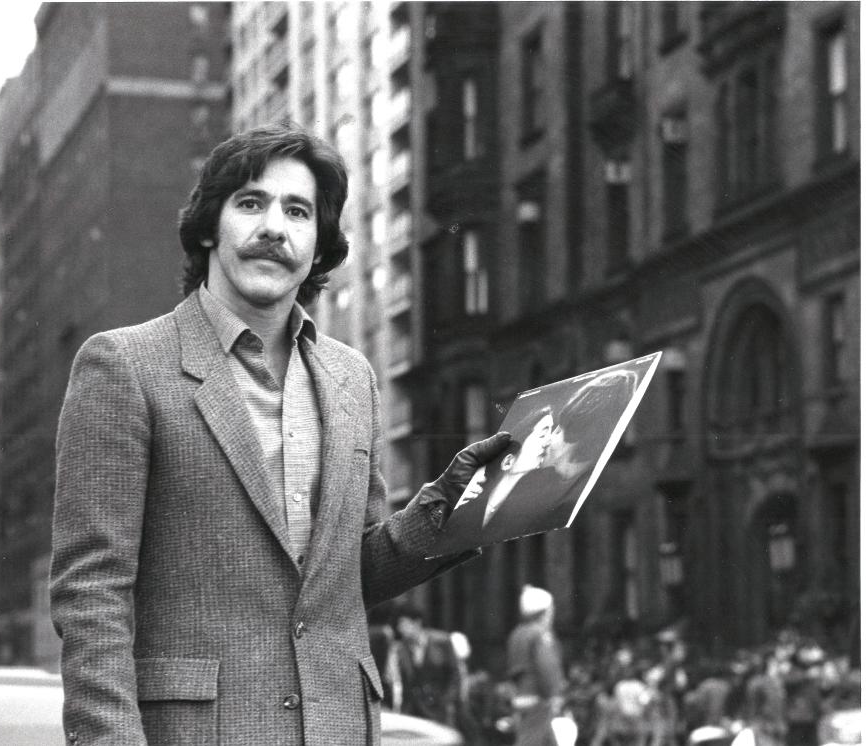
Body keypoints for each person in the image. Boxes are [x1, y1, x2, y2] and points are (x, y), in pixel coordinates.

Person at [49, 123, 510, 746]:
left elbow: (348, 579)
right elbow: (91, 594)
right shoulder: (124, 366)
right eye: (251, 203)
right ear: (211, 225)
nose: (274, 227)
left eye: (297, 211)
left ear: (318, 246)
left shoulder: (353, 379)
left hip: (339, 728)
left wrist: (448, 512)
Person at [454, 369, 639, 547]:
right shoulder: (532, 484)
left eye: (553, 431)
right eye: (545, 433)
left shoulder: (570, 482)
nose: (547, 441)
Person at [506, 585, 566, 746]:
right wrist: (553, 695)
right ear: (544, 612)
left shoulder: (517, 633)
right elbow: (547, 667)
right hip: (538, 699)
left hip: (521, 697)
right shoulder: (540, 635)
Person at [393, 604, 463, 727]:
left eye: (404, 624)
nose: (400, 629)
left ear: (417, 623)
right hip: (415, 711)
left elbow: (455, 675)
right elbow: (406, 683)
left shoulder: (441, 641)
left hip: (439, 709)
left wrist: (447, 702)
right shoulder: (402, 649)